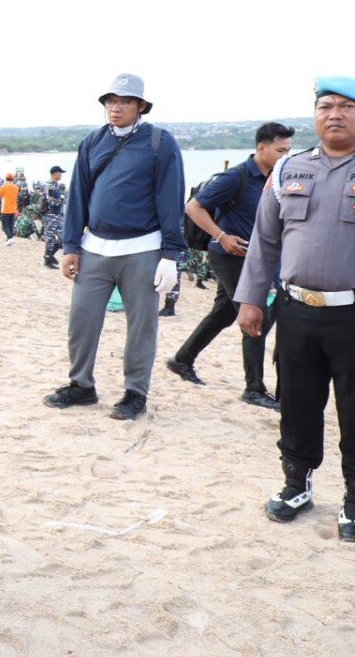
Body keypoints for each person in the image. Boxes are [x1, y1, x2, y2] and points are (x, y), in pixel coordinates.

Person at [234, 78, 355, 541]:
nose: (335, 114)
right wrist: (250, 299)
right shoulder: (289, 169)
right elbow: (265, 240)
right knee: (298, 403)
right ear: (315, 115)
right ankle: (295, 485)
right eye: (326, 106)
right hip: (297, 311)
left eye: (346, 106)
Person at [43, 74, 186, 420]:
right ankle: (81, 385)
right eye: (110, 101)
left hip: (143, 248)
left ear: (140, 106)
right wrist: (71, 246)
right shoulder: (92, 142)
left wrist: (171, 254)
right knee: (82, 320)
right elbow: (77, 196)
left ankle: (135, 392)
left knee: (141, 326)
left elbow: (171, 199)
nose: (115, 107)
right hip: (95, 248)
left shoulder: (159, 143)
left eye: (123, 101)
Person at [166, 127, 297, 409]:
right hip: (230, 257)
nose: (286, 156)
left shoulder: (276, 179)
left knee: (224, 313)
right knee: (255, 317)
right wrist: (221, 236)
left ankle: (182, 359)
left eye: (289, 150)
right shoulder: (235, 177)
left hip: (259, 259)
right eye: (281, 151)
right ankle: (254, 389)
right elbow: (193, 207)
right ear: (262, 148)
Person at [41, 166, 66, 268]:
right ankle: (48, 259)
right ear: (54, 174)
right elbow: (50, 200)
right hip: (50, 215)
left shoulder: (57, 186)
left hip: (58, 215)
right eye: (59, 173)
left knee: (62, 239)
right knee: (50, 238)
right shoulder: (49, 186)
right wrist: (61, 201)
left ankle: (49, 256)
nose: (60, 175)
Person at [0, 173, 19, 244]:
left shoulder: (3, 187)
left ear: (6, 179)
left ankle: (10, 238)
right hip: (13, 208)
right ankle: (8, 239)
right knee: (10, 225)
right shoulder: (16, 187)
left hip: (5, 208)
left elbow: (0, 195)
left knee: (4, 226)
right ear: (13, 179)